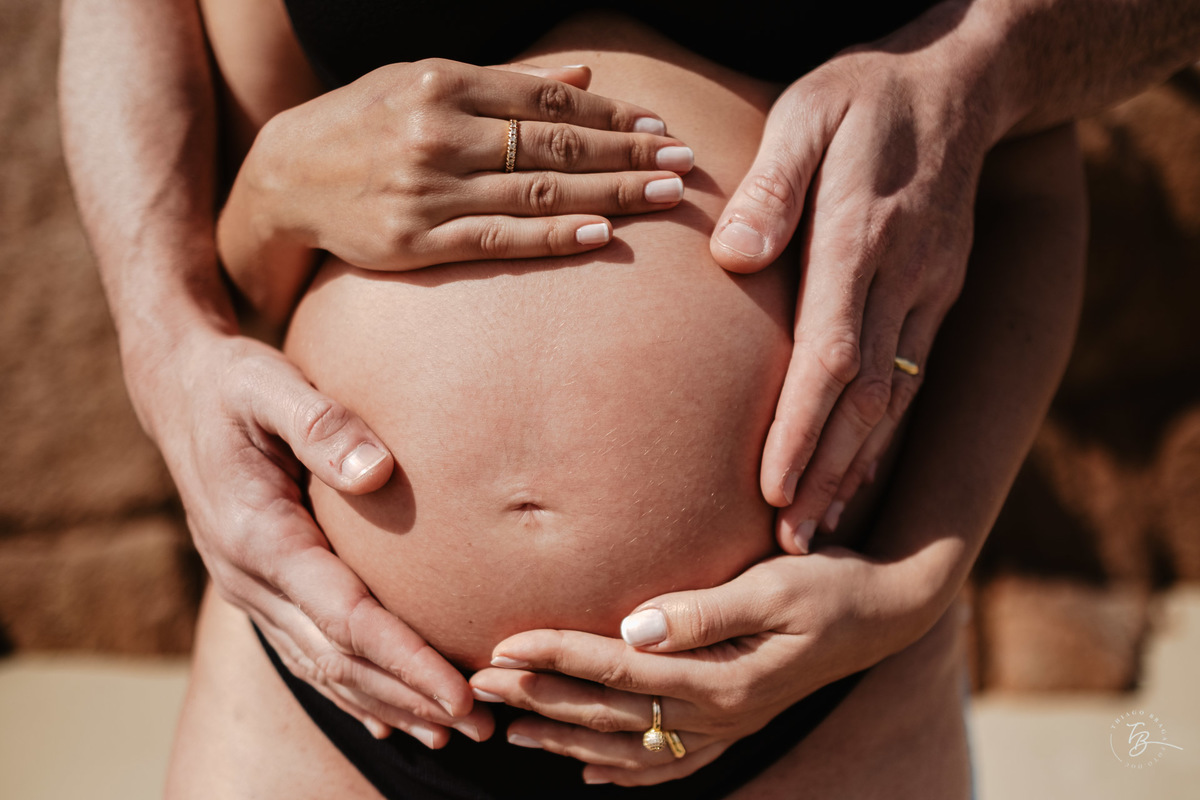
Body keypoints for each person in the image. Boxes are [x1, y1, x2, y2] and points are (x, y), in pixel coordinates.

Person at [56, 0, 1200, 796]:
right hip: (331, 687)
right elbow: (250, 229)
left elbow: (1027, 168)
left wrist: (917, 576)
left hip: (813, 694)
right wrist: (178, 332)